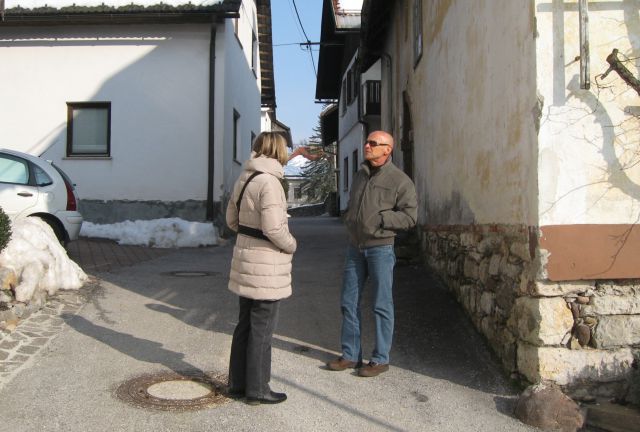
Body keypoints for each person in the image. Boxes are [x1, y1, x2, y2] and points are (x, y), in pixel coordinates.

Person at [327, 130, 417, 377]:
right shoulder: (360, 174)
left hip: (380, 248)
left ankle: (379, 359)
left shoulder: (400, 180)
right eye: (367, 142)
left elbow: (410, 217)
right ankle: (350, 355)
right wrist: (349, 219)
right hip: (355, 247)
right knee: (348, 301)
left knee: (381, 304)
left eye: (373, 143)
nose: (367, 146)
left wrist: (381, 219)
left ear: (387, 149)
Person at [226, 131, 297, 405]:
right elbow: (274, 228)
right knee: (263, 328)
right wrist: (291, 244)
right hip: (267, 265)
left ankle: (237, 384)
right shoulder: (270, 183)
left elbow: (232, 221)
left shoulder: (245, 178)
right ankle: (257, 390)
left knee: (245, 324)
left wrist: (249, 235)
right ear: (278, 151)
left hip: (245, 260)